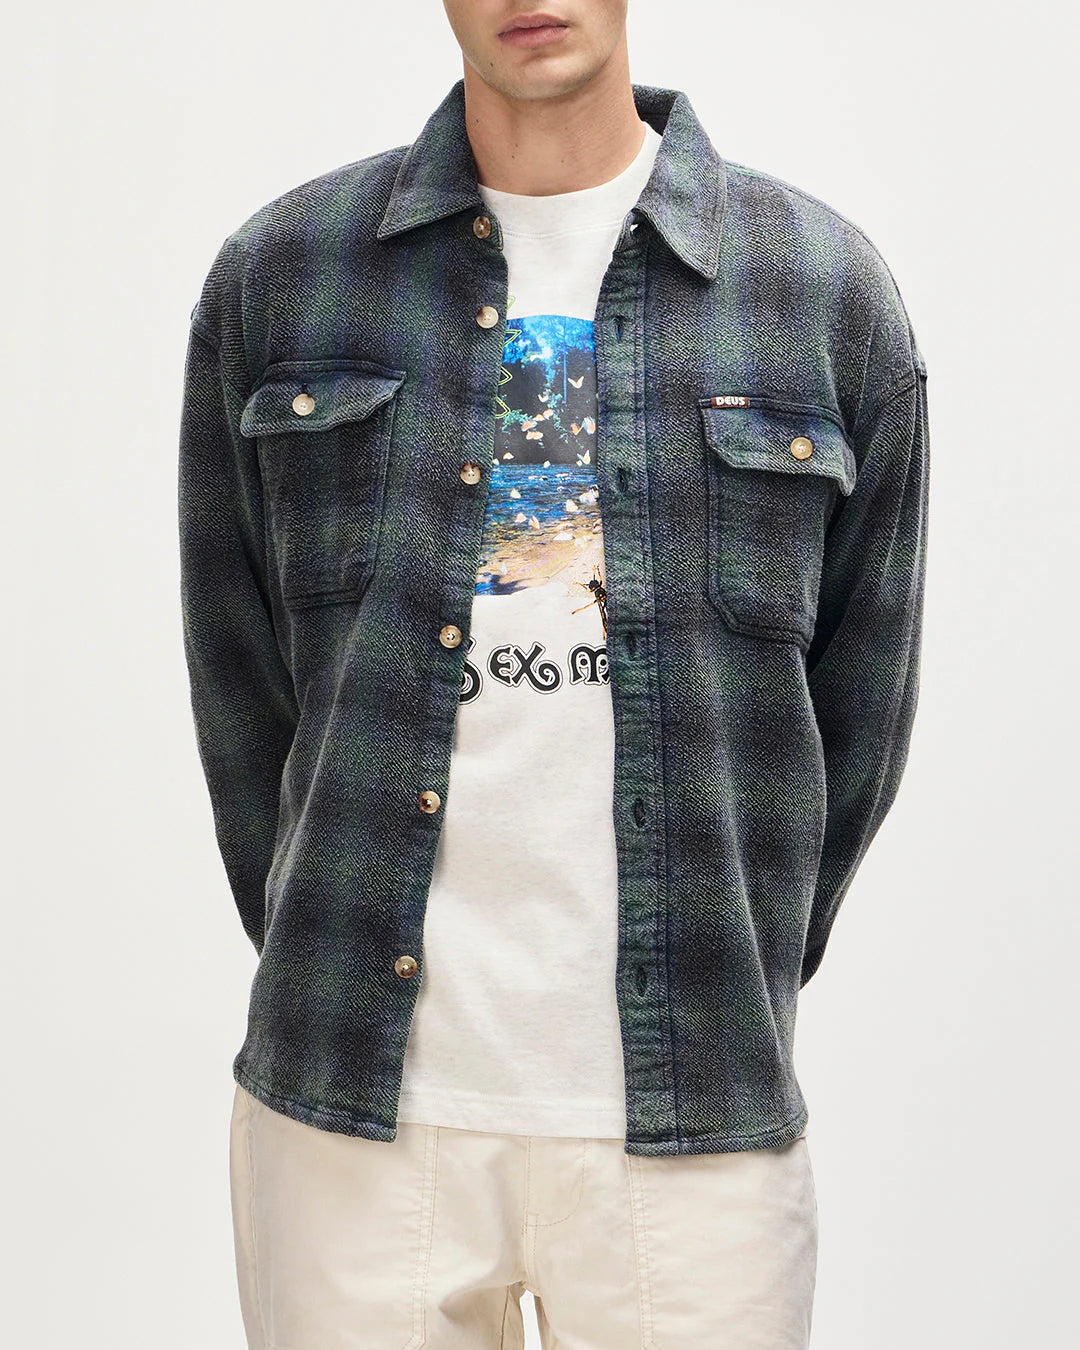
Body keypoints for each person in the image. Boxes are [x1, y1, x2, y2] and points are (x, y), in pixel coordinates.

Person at [178, 2, 930, 1346]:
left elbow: (861, 710)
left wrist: (740, 955)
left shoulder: (820, 292)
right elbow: (241, 681)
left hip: (696, 1129)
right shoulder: (284, 278)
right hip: (349, 1121)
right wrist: (316, 926)